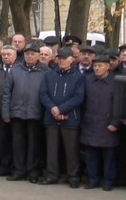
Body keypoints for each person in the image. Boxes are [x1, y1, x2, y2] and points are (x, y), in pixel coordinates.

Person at [38, 47, 85, 187]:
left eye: (65, 58)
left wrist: (61, 109)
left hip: (70, 118)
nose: (62, 61)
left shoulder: (79, 76)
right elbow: (43, 93)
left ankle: (73, 177)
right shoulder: (49, 75)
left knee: (71, 150)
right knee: (51, 149)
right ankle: (52, 175)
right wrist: (53, 109)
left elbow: (78, 97)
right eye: (60, 58)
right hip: (51, 117)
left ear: (72, 60)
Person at [2, 43, 47, 183]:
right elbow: (6, 93)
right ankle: (18, 170)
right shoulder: (15, 70)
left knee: (33, 145)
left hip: (35, 114)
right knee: (18, 144)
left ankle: (32, 172)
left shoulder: (45, 72)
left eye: (33, 54)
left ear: (38, 55)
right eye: (27, 54)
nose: (29, 56)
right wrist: (6, 113)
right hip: (17, 113)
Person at [80, 54, 118, 191]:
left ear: (108, 66)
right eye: (95, 65)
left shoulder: (115, 81)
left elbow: (118, 104)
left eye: (100, 65)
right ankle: (92, 179)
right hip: (90, 122)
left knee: (109, 155)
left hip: (108, 123)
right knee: (90, 154)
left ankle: (108, 180)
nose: (97, 68)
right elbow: (82, 102)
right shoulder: (87, 80)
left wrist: (115, 122)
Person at [0, 45, 17, 176]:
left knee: (15, 141)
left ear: (15, 56)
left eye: (9, 54)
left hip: (16, 112)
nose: (6, 57)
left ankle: (14, 166)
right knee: (1, 140)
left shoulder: (19, 70)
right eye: (4, 54)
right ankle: (3, 166)